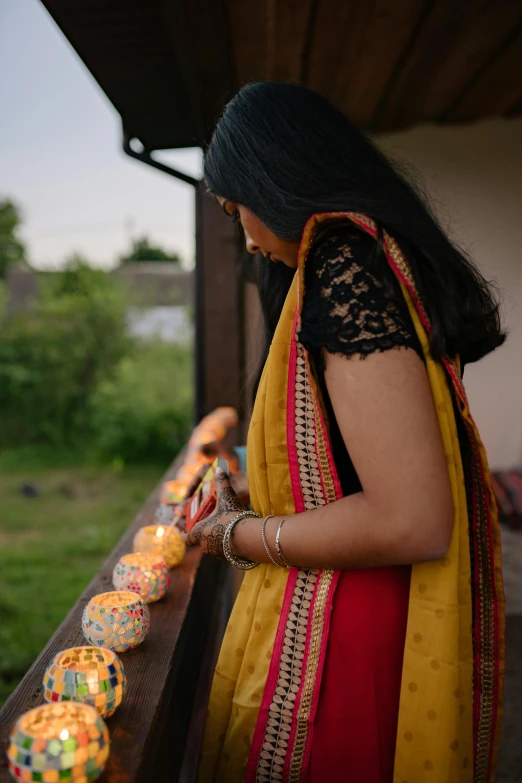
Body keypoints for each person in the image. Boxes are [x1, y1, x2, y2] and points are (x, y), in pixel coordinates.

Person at [182, 82, 506, 783]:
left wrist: (235, 534)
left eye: (236, 209)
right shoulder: (370, 256)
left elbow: (412, 518)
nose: (245, 237)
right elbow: (353, 461)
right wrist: (257, 481)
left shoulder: (343, 261)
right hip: (357, 606)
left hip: (347, 629)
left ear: (275, 179)